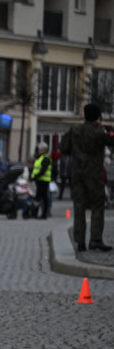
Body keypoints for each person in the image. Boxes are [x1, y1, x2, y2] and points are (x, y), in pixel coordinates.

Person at [58, 102, 114, 251]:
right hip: (94, 174)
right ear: (97, 117)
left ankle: (80, 240)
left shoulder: (74, 130)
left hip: (77, 174)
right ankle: (95, 239)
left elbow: (63, 148)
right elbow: (112, 140)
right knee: (97, 206)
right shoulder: (99, 132)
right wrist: (108, 129)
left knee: (79, 207)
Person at [30, 142, 53, 220]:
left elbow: (43, 170)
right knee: (40, 197)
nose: (37, 150)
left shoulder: (45, 158)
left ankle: (42, 214)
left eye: (39, 149)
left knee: (42, 197)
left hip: (43, 180)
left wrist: (35, 176)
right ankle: (37, 213)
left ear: (42, 149)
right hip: (40, 180)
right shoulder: (40, 158)